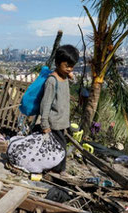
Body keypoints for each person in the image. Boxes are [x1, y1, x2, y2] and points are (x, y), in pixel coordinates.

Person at [40, 44, 79, 174]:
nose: (70, 69)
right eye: (67, 66)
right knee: (60, 148)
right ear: (57, 63)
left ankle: (55, 170)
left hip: (62, 122)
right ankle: (58, 171)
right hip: (53, 123)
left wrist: (72, 76)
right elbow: (45, 104)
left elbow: (74, 82)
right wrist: (44, 124)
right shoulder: (52, 81)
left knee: (57, 148)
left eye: (72, 66)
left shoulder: (65, 77)